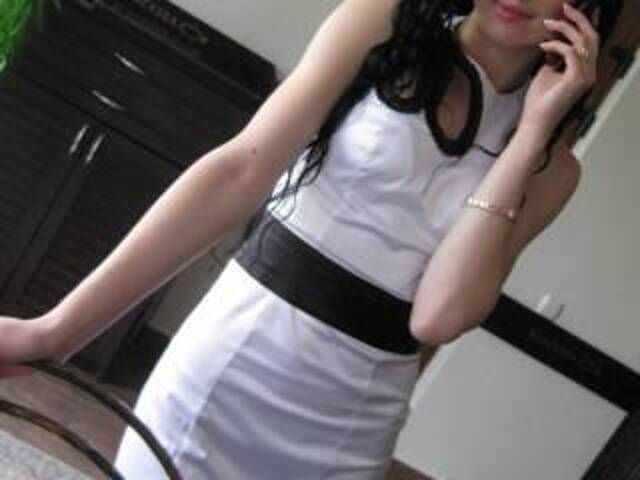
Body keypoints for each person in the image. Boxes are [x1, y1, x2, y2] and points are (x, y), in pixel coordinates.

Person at [0, 0, 621, 478]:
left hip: (354, 420)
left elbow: (438, 317)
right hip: (235, 360)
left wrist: (530, 136)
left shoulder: (552, 171)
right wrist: (57, 331)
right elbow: (238, 171)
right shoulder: (382, 23)